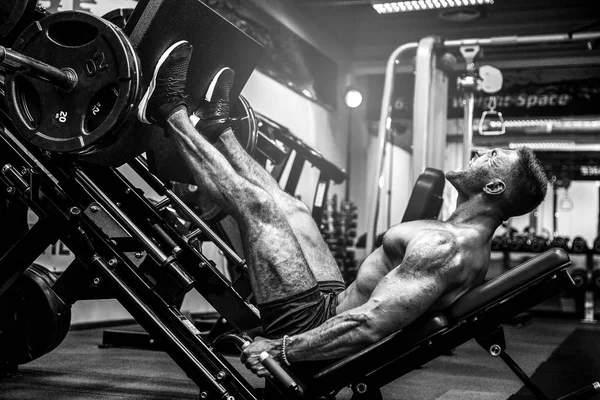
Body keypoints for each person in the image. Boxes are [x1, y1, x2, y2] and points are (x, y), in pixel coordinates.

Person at [137, 41, 549, 378]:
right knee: (293, 208)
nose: (478, 153)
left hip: (311, 327)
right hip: (331, 303)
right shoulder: (460, 240)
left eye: (490, 156)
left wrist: (282, 348)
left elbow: (370, 324)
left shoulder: (447, 249)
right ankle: (218, 126)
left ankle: (166, 109)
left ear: (494, 187)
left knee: (258, 207)